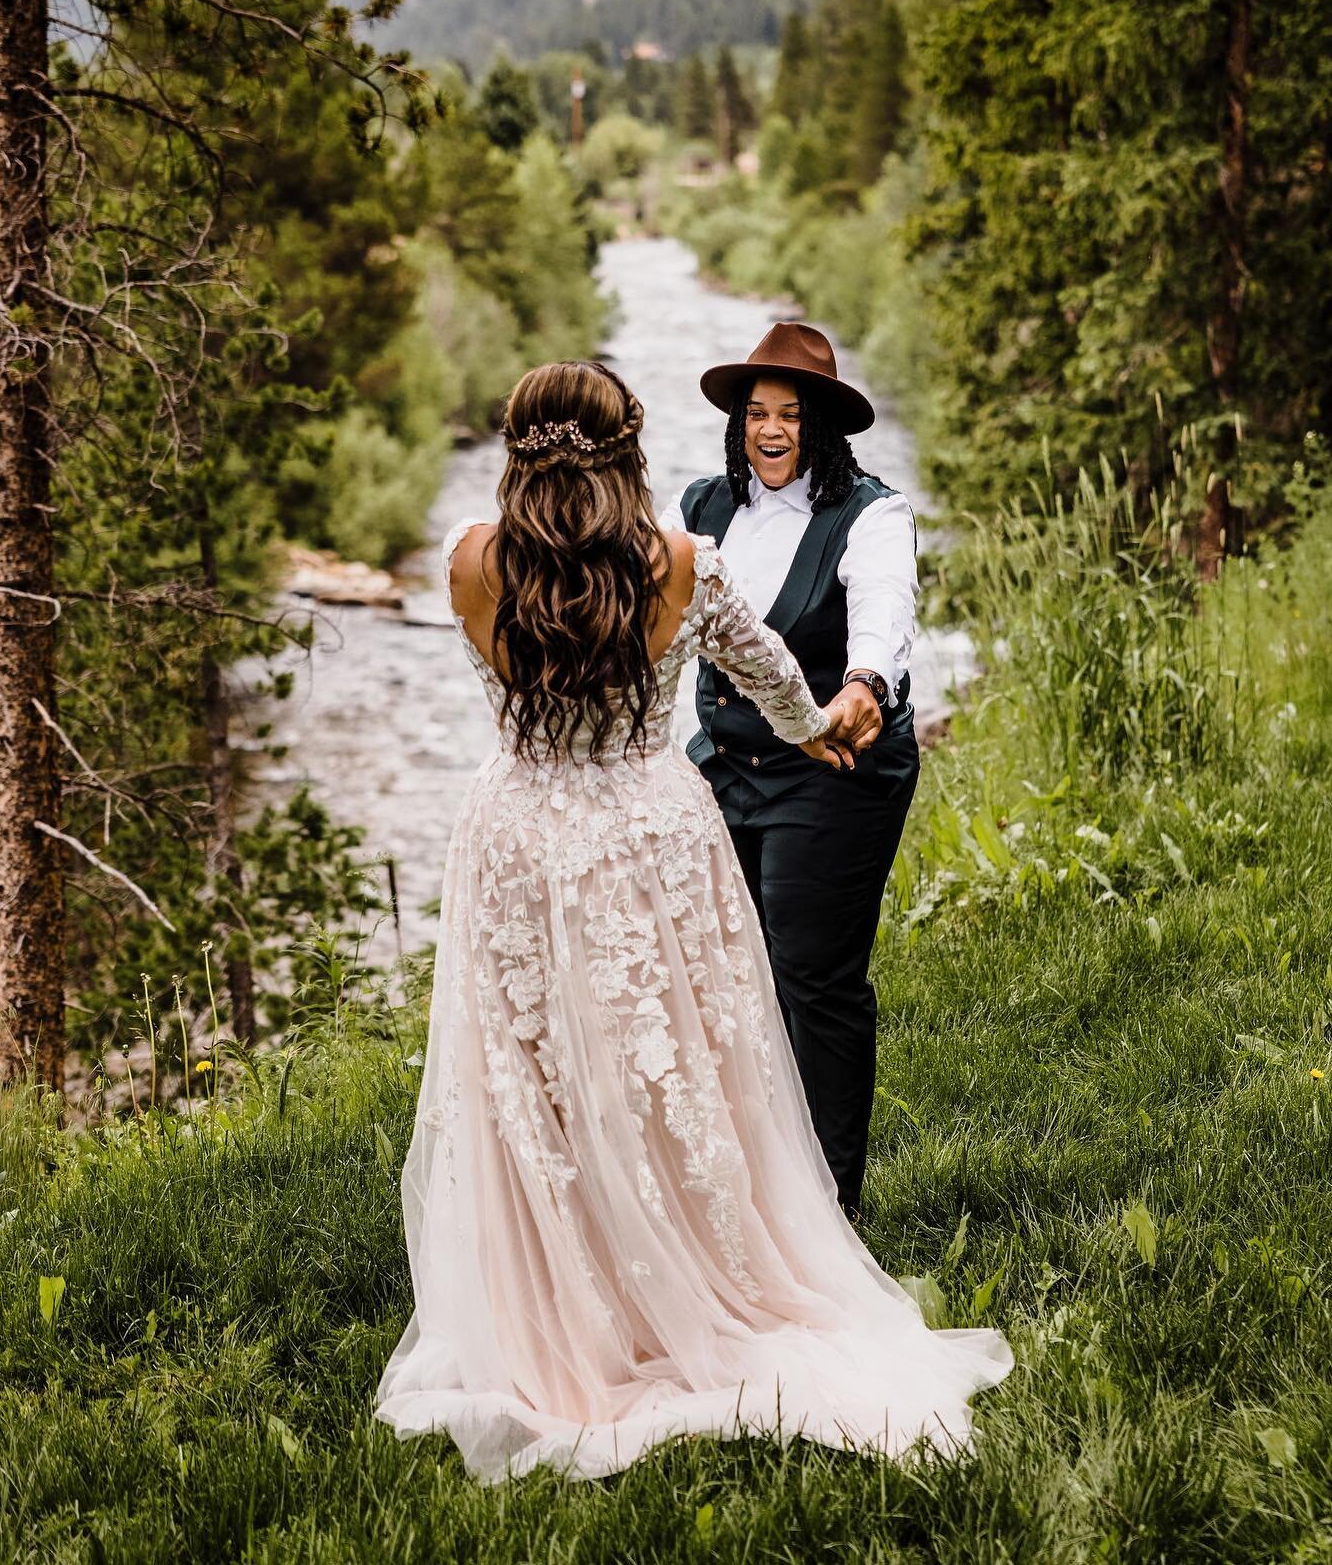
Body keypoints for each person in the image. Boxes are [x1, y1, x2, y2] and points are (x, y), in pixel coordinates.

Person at [375, 359, 1010, 1482]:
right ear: (631, 448)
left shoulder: (471, 561)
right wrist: (819, 728)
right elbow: (770, 679)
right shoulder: (681, 564)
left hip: (518, 833)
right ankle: (682, 1280)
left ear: (514, 452)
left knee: (536, 1077)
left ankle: (566, 1310)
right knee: (675, 1070)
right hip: (647, 835)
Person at [662, 321, 920, 1221]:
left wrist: (866, 681)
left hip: (835, 768)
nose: (772, 431)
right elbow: (635, 607)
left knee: (813, 974)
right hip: (724, 766)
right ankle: (749, 1181)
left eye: (791, 416)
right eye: (756, 414)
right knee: (726, 973)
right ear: (737, 426)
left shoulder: (874, 515)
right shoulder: (698, 509)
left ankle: (833, 1203)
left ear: (825, 430)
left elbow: (883, 613)